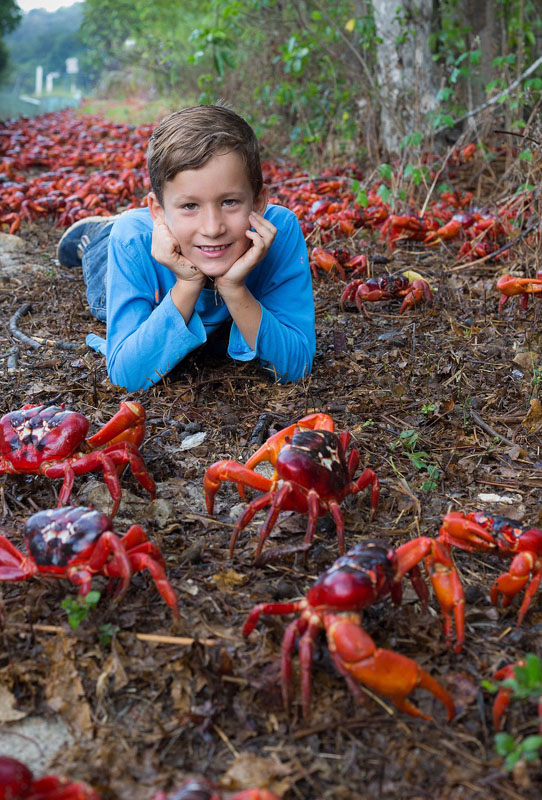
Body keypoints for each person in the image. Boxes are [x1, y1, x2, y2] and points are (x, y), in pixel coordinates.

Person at [57, 104, 315, 393]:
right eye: (190, 205)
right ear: (158, 210)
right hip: (144, 249)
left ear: (257, 202)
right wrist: (188, 283)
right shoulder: (132, 242)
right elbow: (126, 375)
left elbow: (298, 364)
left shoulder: (279, 230)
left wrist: (233, 288)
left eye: (229, 202)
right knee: (104, 292)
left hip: (186, 242)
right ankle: (98, 233)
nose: (213, 227)